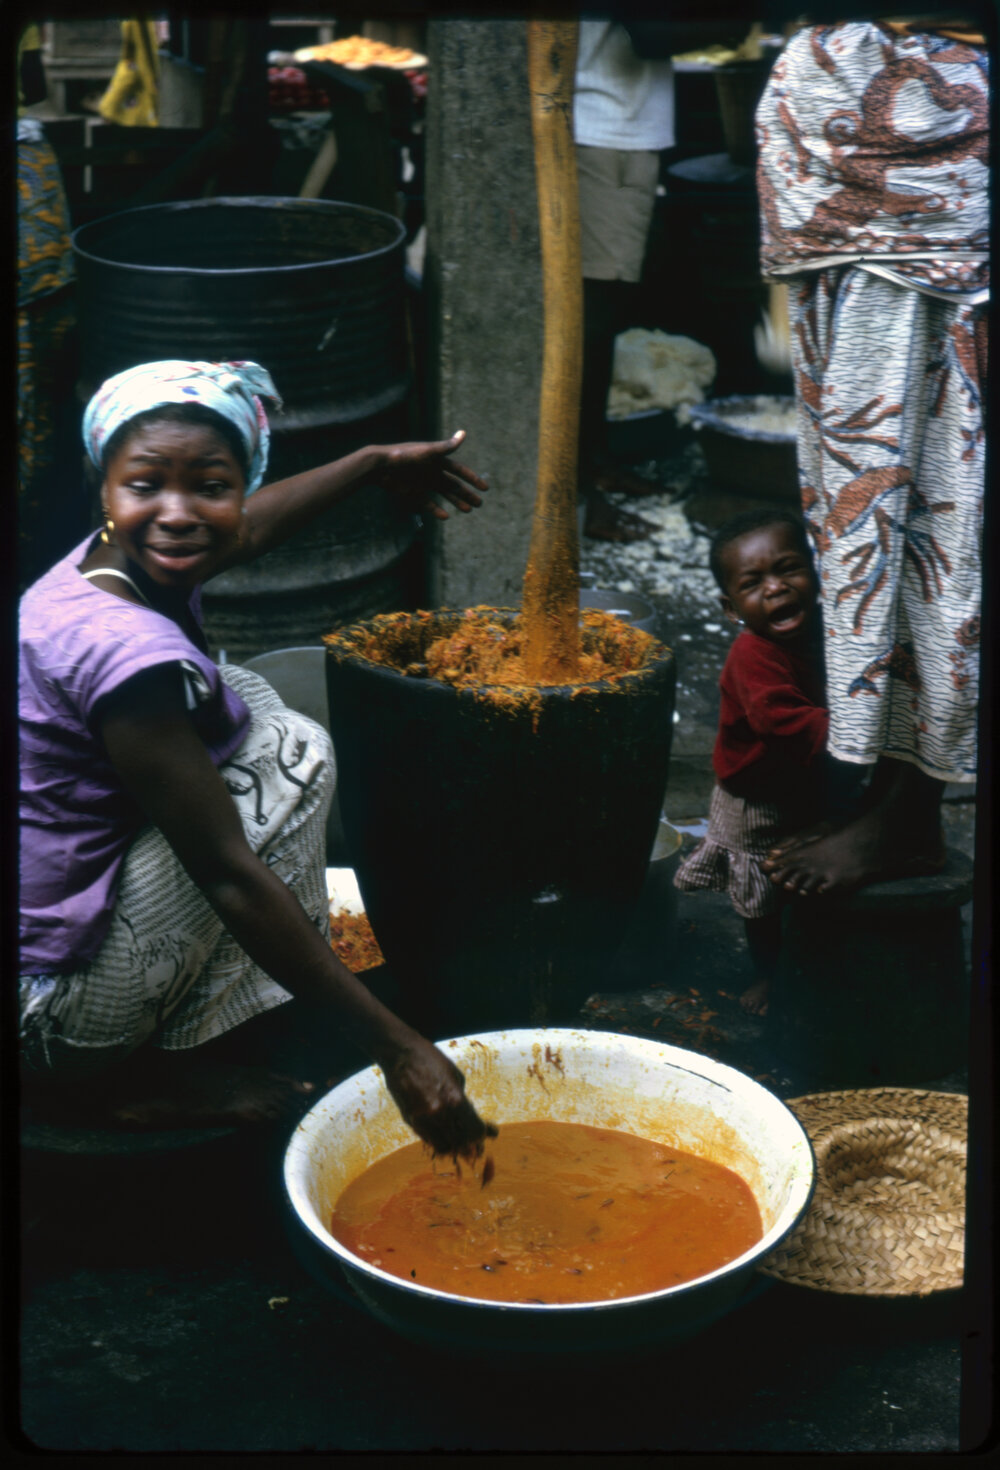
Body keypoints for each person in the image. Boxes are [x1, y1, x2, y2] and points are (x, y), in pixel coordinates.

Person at [19, 358, 495, 1156]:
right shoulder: (122, 651)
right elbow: (226, 874)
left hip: (38, 935)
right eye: (147, 486)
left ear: (239, 486)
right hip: (53, 1019)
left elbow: (254, 526)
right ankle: (137, 1076)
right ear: (105, 485)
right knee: (290, 752)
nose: (177, 514)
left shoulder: (109, 557)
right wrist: (399, 1047)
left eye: (210, 484)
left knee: (241, 694)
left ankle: (231, 992)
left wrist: (374, 462)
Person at [755, 15, 987, 896]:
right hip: (840, 213)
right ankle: (880, 772)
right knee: (862, 517)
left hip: (950, 198)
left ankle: (914, 805)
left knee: (950, 514)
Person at [573, 17, 745, 542]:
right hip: (602, 127)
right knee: (588, 321)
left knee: (601, 314)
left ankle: (591, 466)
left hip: (612, 127)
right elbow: (648, 27)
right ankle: (577, 497)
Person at [674, 509, 838, 1015]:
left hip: (805, 782)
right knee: (762, 895)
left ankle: (813, 958)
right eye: (754, 583)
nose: (775, 589)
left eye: (788, 569)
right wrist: (865, 728)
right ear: (731, 607)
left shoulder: (829, 634)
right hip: (754, 797)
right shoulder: (753, 655)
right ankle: (767, 973)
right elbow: (780, 723)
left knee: (808, 878)